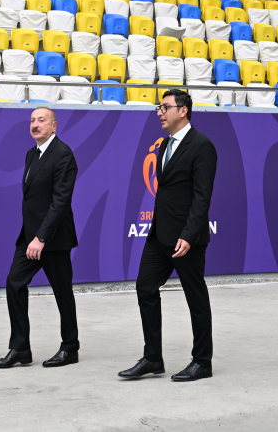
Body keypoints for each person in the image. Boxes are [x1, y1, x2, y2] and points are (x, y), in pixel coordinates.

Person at [119, 89, 218, 382]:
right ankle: (152, 358)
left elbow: (202, 196)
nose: (160, 113)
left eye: (165, 107)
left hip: (187, 239)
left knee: (195, 297)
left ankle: (202, 362)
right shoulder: (164, 144)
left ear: (183, 110)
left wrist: (189, 234)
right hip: (159, 235)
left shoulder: (202, 145)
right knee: (145, 287)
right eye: (159, 108)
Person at [0, 107, 80, 369]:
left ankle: (70, 348)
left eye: (42, 120)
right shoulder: (32, 153)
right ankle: (20, 348)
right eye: (32, 120)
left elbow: (60, 202)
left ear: (54, 126)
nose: (35, 124)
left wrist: (41, 238)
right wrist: (33, 237)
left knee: (62, 293)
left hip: (53, 238)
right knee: (14, 282)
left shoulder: (63, 154)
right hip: (29, 237)